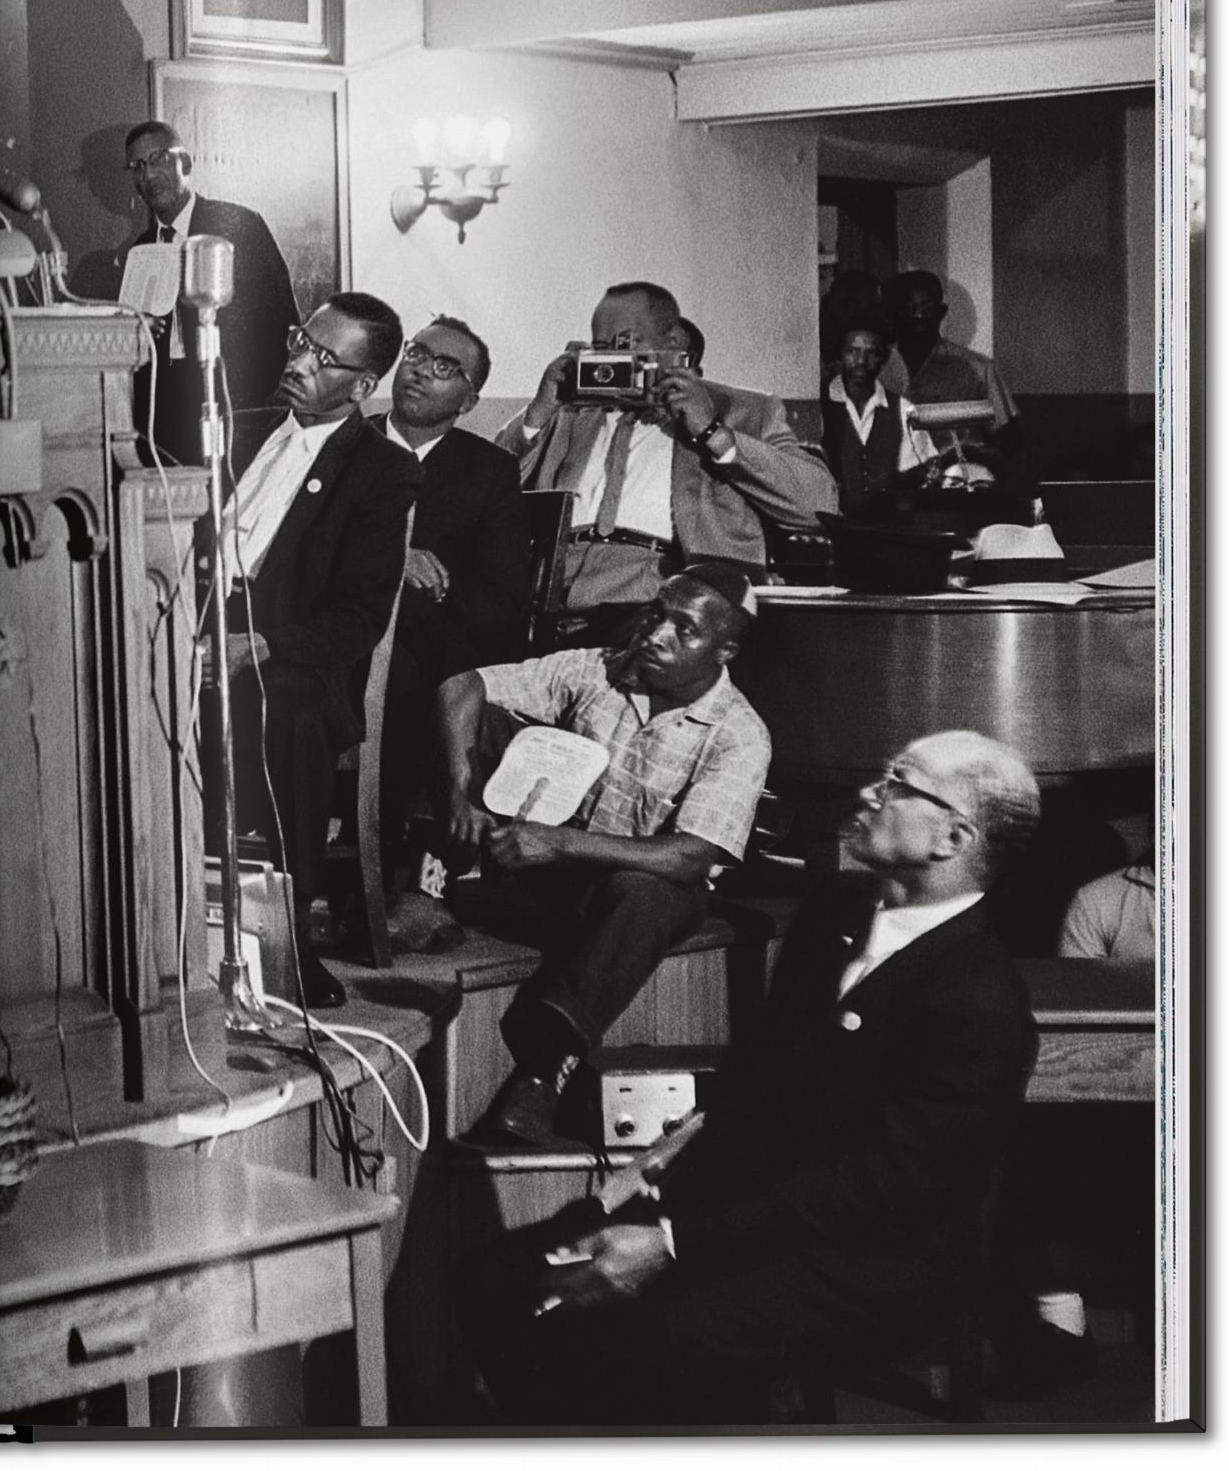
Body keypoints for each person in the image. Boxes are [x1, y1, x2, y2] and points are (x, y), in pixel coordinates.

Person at [456, 731, 1042, 1427]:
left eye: (896, 785)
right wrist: (679, 1147)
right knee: (501, 1279)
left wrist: (673, 1241)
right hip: (751, 1210)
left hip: (873, 1260)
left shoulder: (980, 1000)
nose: (869, 794)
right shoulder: (838, 906)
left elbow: (885, 1188)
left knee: (665, 1335)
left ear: (952, 837)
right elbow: (762, 1065)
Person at [437, 563, 771, 1144]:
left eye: (684, 630)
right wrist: (462, 789)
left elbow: (691, 856)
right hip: (543, 877)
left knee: (643, 894)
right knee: (475, 723)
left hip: (632, 894)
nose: (656, 635)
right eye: (656, 614)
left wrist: (560, 841)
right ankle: (430, 887)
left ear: (726, 650)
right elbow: (461, 685)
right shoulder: (600, 669)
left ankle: (544, 1072)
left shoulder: (739, 733)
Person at [218, 292, 418, 1009]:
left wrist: (262, 644)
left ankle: (288, 940)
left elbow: (360, 615)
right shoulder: (239, 432)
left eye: (323, 357)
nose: (298, 360)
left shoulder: (382, 472)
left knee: (291, 711)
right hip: (195, 622)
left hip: (288, 656)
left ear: (362, 387)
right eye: (302, 341)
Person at [495, 281, 834, 648]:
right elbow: (488, 487)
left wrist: (713, 432)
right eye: (600, 347)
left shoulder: (744, 410)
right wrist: (538, 411)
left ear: (672, 342)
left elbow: (817, 506)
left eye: (625, 344)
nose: (612, 359)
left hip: (664, 605)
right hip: (549, 599)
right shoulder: (571, 411)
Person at [363, 316, 529, 954]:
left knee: (421, 673)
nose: (419, 371)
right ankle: (387, 882)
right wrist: (390, 560)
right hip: (343, 639)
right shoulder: (344, 446)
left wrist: (422, 596)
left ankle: (412, 879)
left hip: (436, 649)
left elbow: (500, 598)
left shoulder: (487, 472)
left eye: (444, 367)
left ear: (469, 400)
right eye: (416, 354)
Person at [123, 119, 300, 467]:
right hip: (162, 423)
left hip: (235, 411)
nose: (148, 174)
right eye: (138, 166)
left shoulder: (238, 225)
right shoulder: (142, 249)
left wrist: (254, 401)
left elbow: (283, 320)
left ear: (185, 163)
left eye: (158, 158)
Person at [822, 322, 939, 516]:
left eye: (871, 353)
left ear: (883, 358)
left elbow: (918, 475)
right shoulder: (822, 404)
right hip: (834, 529)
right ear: (841, 354)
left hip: (889, 530)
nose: (861, 361)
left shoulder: (903, 410)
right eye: (853, 351)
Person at [882, 268, 1019, 428]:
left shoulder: (980, 370)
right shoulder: (875, 366)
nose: (918, 316)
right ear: (894, 314)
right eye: (908, 308)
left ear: (942, 312)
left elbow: (1007, 435)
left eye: (927, 309)